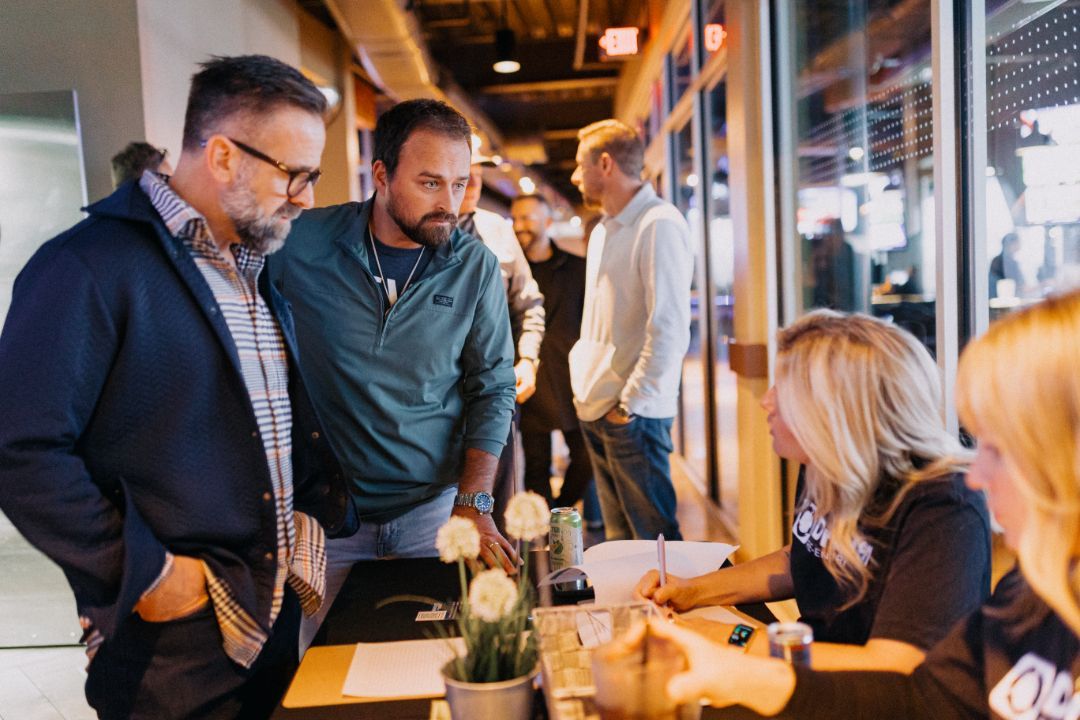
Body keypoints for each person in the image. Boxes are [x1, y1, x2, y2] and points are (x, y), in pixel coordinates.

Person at [0, 55, 353, 719]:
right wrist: (144, 574)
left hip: (265, 609)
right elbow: (20, 448)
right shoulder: (87, 266)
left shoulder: (249, 266)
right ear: (223, 156)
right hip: (171, 644)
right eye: (295, 173)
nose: (306, 196)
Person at [649, 290, 1080, 719]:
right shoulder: (1035, 586)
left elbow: (901, 674)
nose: (977, 475)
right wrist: (696, 599)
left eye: (999, 448)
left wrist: (737, 643)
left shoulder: (944, 506)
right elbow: (930, 697)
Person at [268, 99, 518, 650]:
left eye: (459, 184)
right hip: (329, 522)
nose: (448, 204)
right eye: (430, 183)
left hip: (435, 515)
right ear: (380, 174)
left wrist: (475, 502)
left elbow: (493, 387)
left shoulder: (473, 266)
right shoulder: (299, 244)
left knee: (435, 668)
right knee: (329, 681)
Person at [637, 311, 991, 673]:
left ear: (837, 412)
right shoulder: (825, 466)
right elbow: (806, 556)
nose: (767, 401)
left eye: (785, 390)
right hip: (816, 674)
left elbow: (893, 667)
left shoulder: (943, 506)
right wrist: (692, 591)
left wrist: (733, 639)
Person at [569, 119, 693, 541]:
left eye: (579, 165)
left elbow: (670, 326)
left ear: (605, 164)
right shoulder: (604, 229)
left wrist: (631, 406)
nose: (574, 176)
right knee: (620, 543)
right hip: (598, 405)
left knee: (656, 543)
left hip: (632, 415)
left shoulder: (659, 223)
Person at [457, 156, 545, 531]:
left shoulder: (497, 230)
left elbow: (530, 303)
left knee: (499, 500)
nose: (475, 181)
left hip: (495, 390)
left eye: (479, 172)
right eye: (466, 171)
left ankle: (507, 583)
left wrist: (527, 359)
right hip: (435, 396)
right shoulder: (415, 229)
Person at [510, 192, 593, 509]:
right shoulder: (507, 273)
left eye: (528, 218)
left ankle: (562, 510)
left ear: (547, 222)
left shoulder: (578, 269)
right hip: (528, 379)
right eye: (516, 218)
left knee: (586, 456)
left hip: (572, 376)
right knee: (535, 468)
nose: (520, 226)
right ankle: (544, 535)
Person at [989, 231, 1022, 299]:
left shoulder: (997, 260)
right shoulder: (1005, 262)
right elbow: (1020, 287)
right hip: (1001, 301)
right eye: (1017, 243)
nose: (1019, 245)